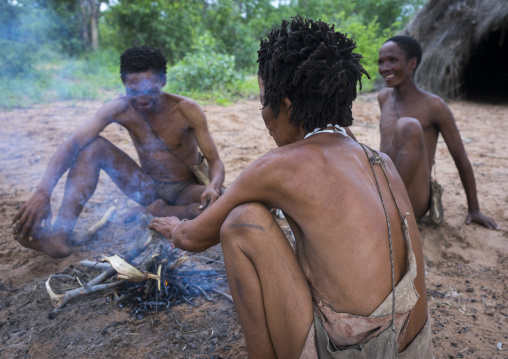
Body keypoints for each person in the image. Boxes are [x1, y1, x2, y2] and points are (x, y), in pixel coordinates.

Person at [149, 17, 432, 358]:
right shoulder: (379, 160)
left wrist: (174, 227)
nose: (263, 115)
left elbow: (192, 239)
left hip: (360, 350)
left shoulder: (280, 166)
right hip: (413, 346)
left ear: (284, 104)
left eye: (263, 101)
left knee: (241, 223)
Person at [12, 46, 225, 258]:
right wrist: (43, 192)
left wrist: (214, 186)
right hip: (146, 186)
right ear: (124, 82)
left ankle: (157, 212)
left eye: (149, 90)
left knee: (222, 206)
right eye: (134, 91)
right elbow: (73, 144)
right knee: (93, 147)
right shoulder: (120, 108)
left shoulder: (186, 109)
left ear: (163, 81)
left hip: (186, 189)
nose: (142, 99)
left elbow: (215, 162)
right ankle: (59, 235)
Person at [377, 35, 499, 230]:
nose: (385, 68)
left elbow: (461, 159)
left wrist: (474, 209)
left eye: (392, 60)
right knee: (341, 131)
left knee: (407, 126)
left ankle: (385, 210)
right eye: (381, 62)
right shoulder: (384, 97)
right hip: (383, 183)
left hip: (411, 196)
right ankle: (379, 203)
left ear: (412, 64)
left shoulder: (434, 106)